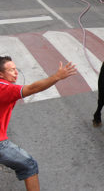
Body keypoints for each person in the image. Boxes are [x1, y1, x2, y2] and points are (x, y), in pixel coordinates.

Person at [0, 56, 76, 191]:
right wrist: (57, 77)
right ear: (1, 74)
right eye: (11, 70)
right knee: (29, 165)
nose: (16, 73)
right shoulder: (5, 89)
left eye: (16, 69)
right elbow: (33, 88)